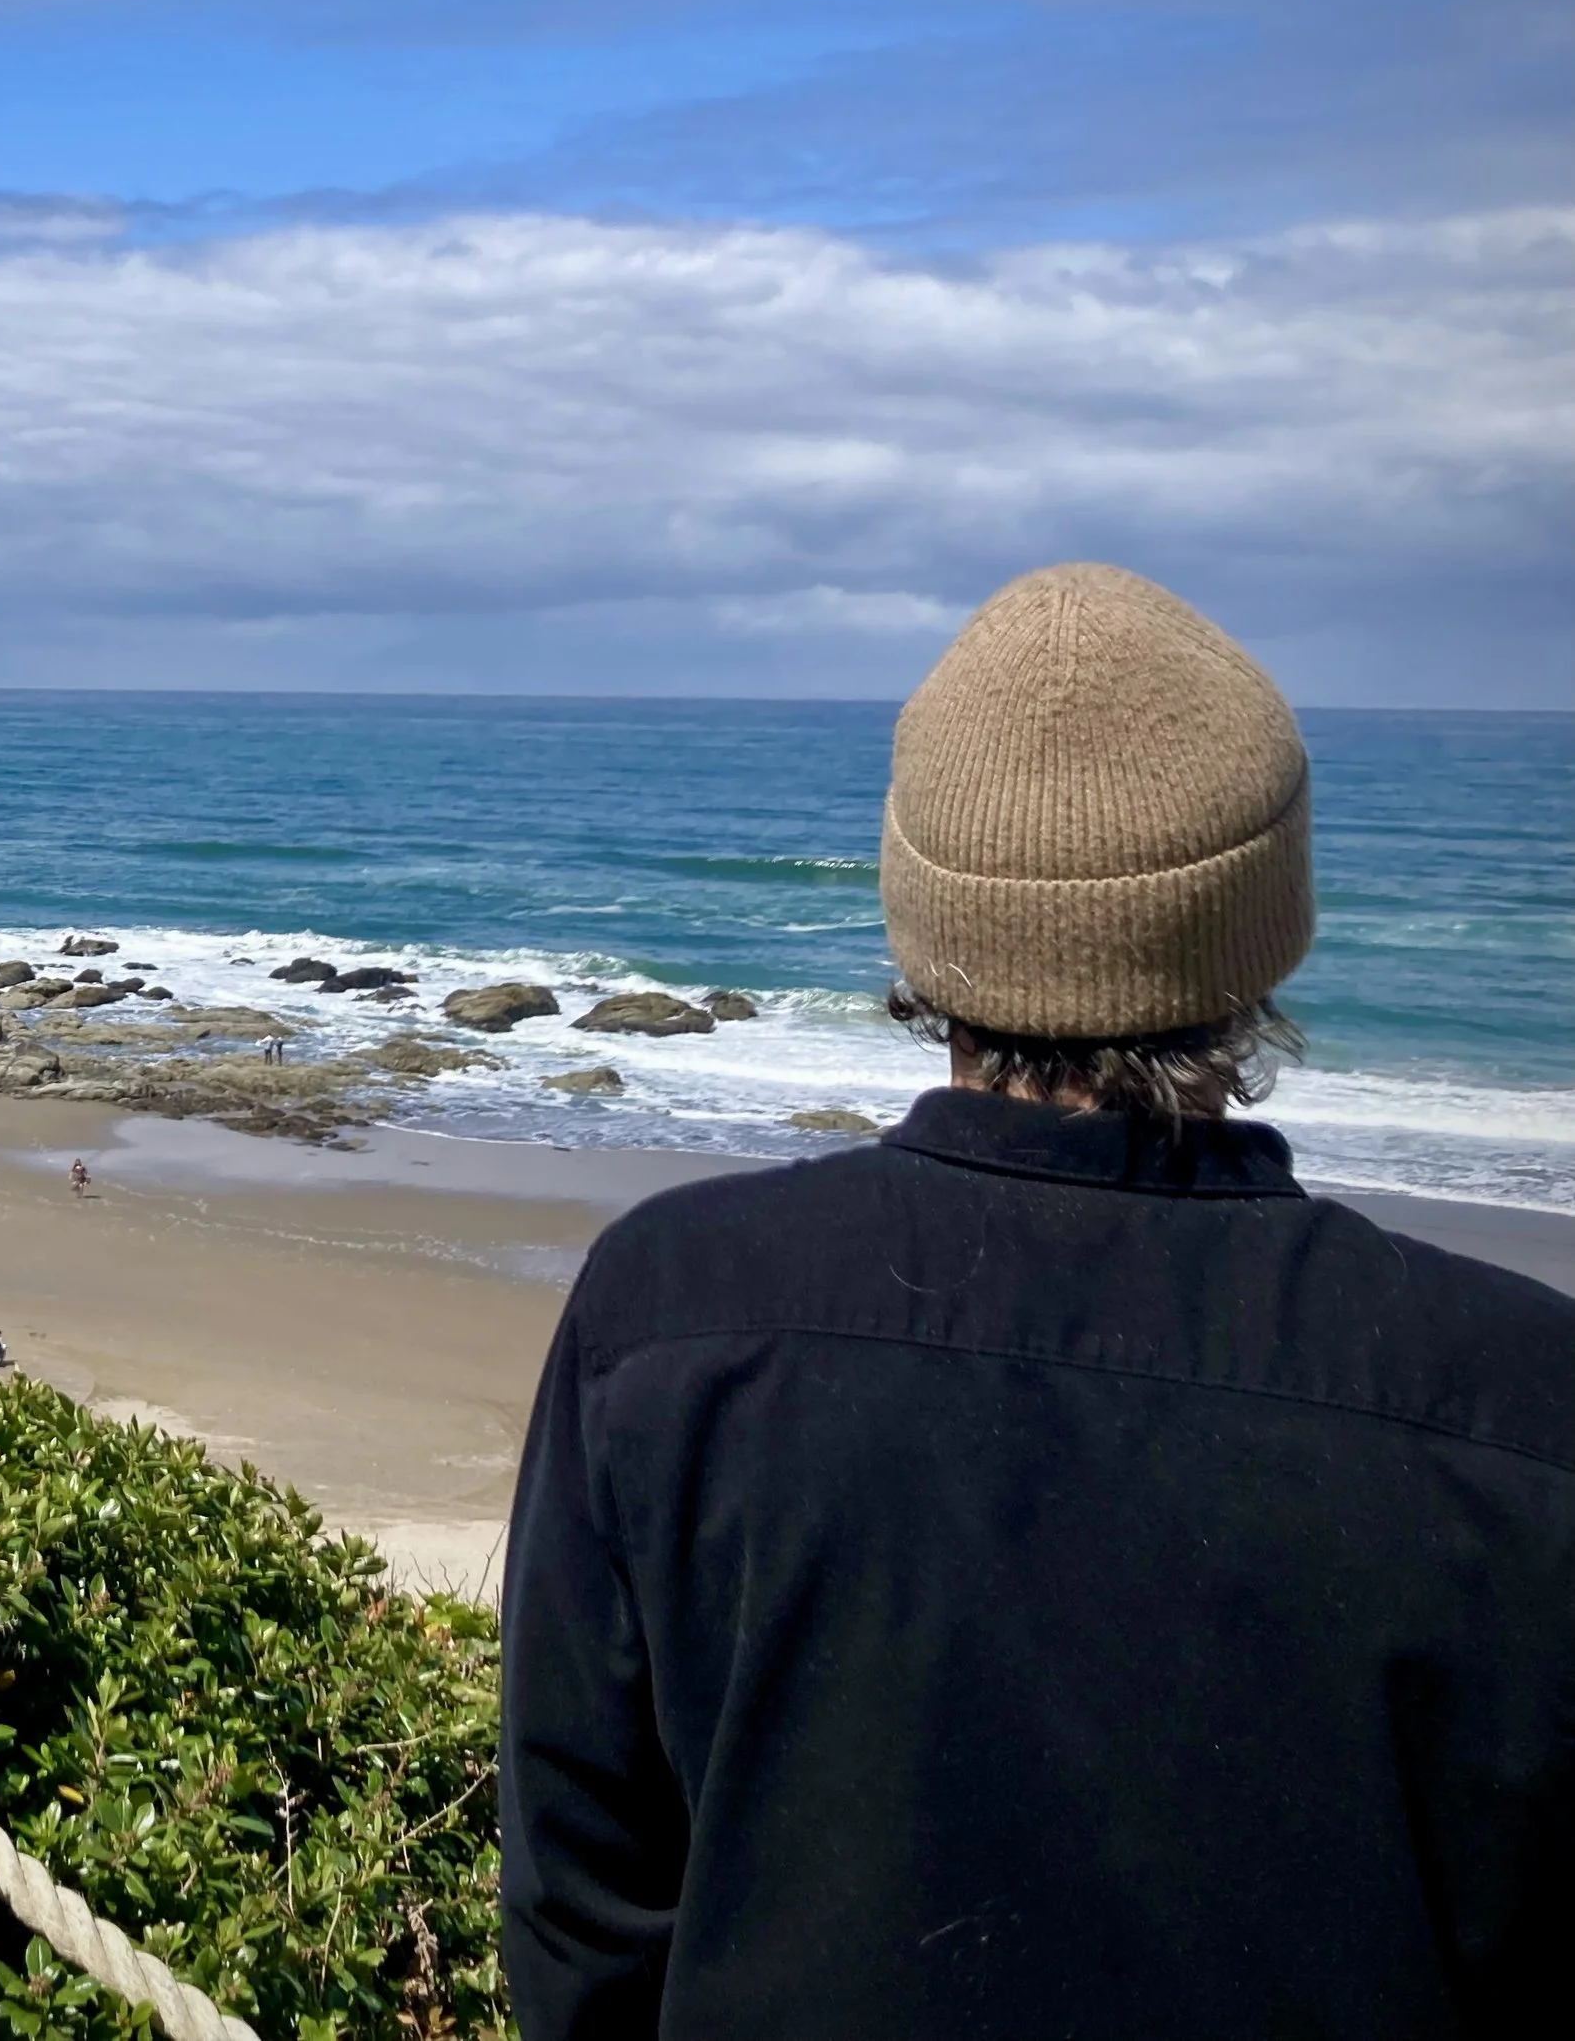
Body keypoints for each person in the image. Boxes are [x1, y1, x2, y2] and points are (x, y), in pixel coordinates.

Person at [500, 563, 1572, 2039]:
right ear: (1269, 920)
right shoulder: (1521, 1404)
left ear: (920, 914)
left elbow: (581, 1926)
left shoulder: (671, 1318)